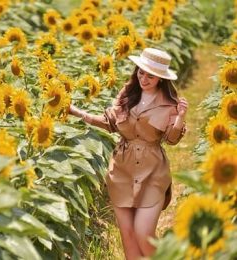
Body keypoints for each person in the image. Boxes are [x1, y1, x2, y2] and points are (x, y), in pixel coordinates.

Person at [69, 48, 188, 259]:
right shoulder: (127, 94)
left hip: (153, 171)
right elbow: (109, 122)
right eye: (141, 72)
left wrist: (179, 118)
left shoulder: (170, 104)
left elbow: (171, 139)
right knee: (128, 234)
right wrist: (77, 112)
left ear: (160, 78)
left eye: (150, 75)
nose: (144, 78)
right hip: (122, 168)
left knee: (144, 234)